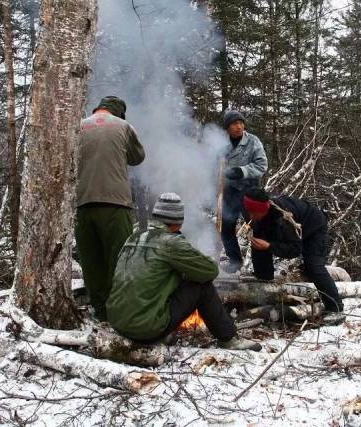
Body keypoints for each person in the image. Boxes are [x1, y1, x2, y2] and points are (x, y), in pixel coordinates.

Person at [106, 193, 262, 351]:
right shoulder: (172, 242)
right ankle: (228, 338)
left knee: (167, 277)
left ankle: (155, 327)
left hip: (118, 323)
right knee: (202, 286)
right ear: (178, 222)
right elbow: (210, 271)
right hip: (145, 329)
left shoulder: (134, 237)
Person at [75, 96, 145, 321]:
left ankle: (100, 310)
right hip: (116, 205)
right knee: (119, 259)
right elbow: (137, 158)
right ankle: (120, 312)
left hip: (83, 204)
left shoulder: (78, 126)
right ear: (119, 113)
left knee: (91, 261)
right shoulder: (124, 126)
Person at [242, 188, 345, 319]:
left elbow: (295, 249)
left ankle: (336, 308)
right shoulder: (258, 212)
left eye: (253, 212)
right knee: (258, 238)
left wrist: (269, 246)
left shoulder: (283, 220)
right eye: (248, 211)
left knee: (313, 267)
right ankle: (263, 276)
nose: (250, 216)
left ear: (263, 209)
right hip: (290, 227)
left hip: (313, 228)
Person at [220, 110, 268, 273]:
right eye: (234, 124)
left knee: (258, 227)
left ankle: (262, 267)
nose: (239, 127)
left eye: (241, 123)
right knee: (226, 227)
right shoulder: (221, 143)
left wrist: (241, 171)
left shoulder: (253, 141)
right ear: (227, 127)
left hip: (249, 192)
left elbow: (261, 166)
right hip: (229, 191)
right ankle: (234, 262)